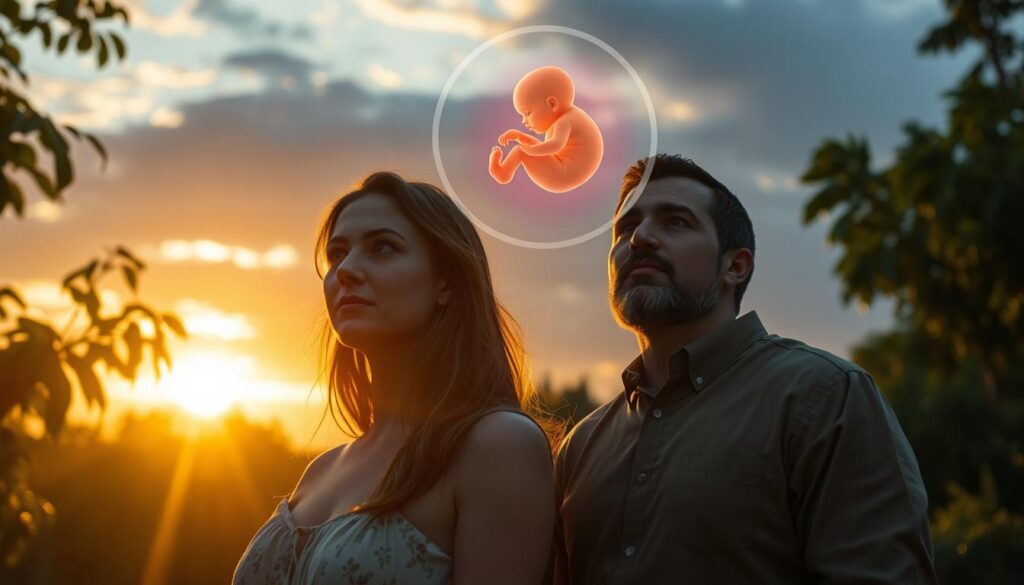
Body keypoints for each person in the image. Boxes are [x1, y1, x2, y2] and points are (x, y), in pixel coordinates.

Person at [552, 154, 938, 583]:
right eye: (626, 228)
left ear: (735, 266)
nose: (640, 237)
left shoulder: (826, 396)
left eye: (675, 221)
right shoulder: (579, 447)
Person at [233, 171, 556, 585]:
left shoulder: (497, 444)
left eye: (382, 248)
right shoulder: (321, 470)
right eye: (337, 254)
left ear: (446, 283)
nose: (346, 270)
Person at [488, 65, 604, 193]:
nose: (524, 121)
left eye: (527, 113)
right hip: (564, 169)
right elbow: (546, 147)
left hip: (562, 175)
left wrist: (530, 151)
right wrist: (519, 136)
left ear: (552, 104)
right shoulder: (571, 115)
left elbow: (556, 145)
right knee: (531, 148)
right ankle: (516, 150)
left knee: (520, 151)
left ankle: (503, 173)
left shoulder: (564, 122)